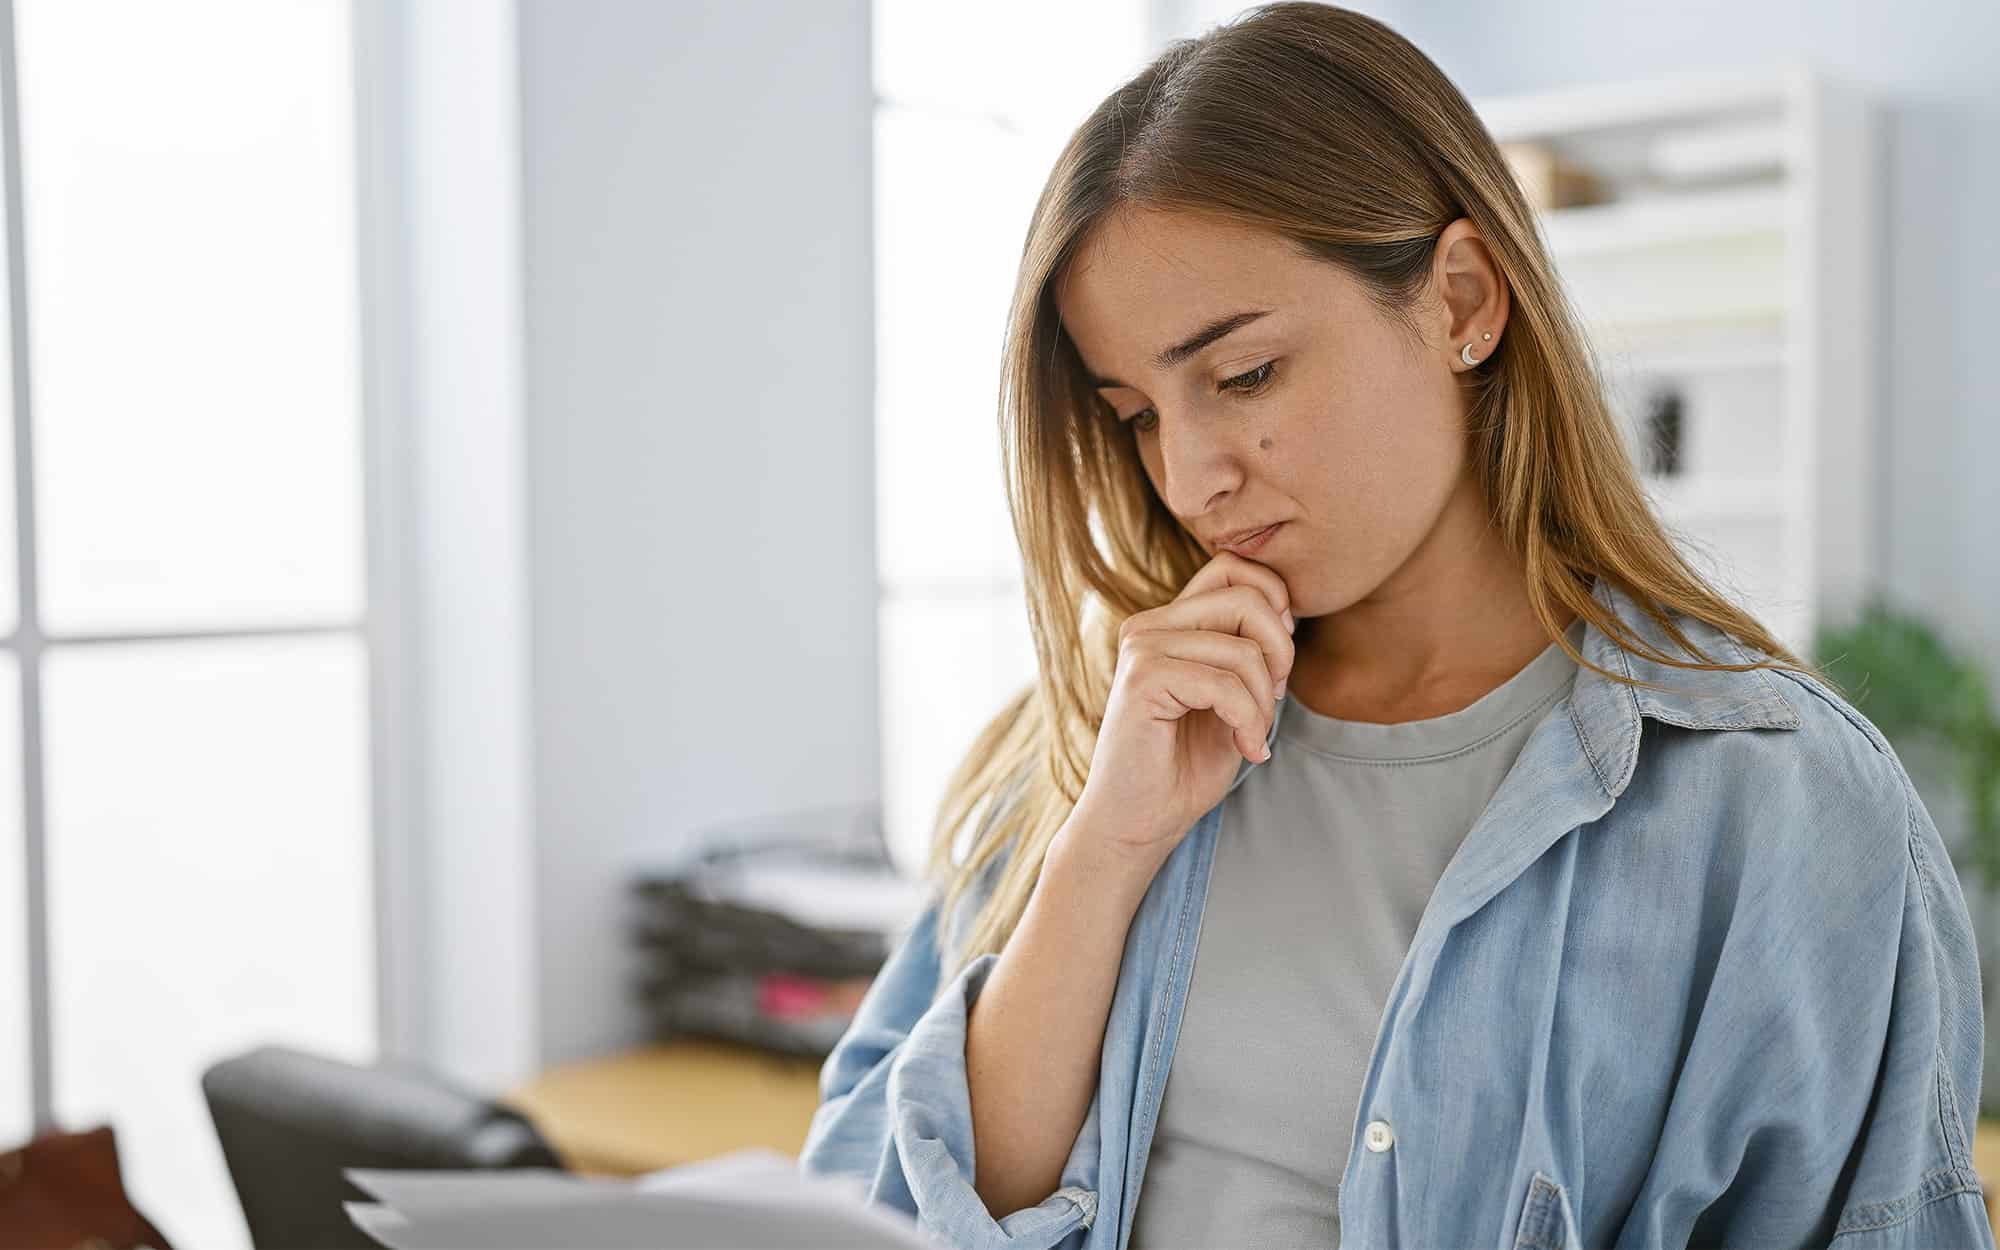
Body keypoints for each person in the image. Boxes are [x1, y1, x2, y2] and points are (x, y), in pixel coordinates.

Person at [797, 4, 1993, 1248]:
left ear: (1462, 299)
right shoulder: (1092, 744)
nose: (1191, 474)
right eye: (1135, 413)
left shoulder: (1776, 808)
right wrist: (1102, 853)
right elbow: (860, 1211)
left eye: (1243, 375)